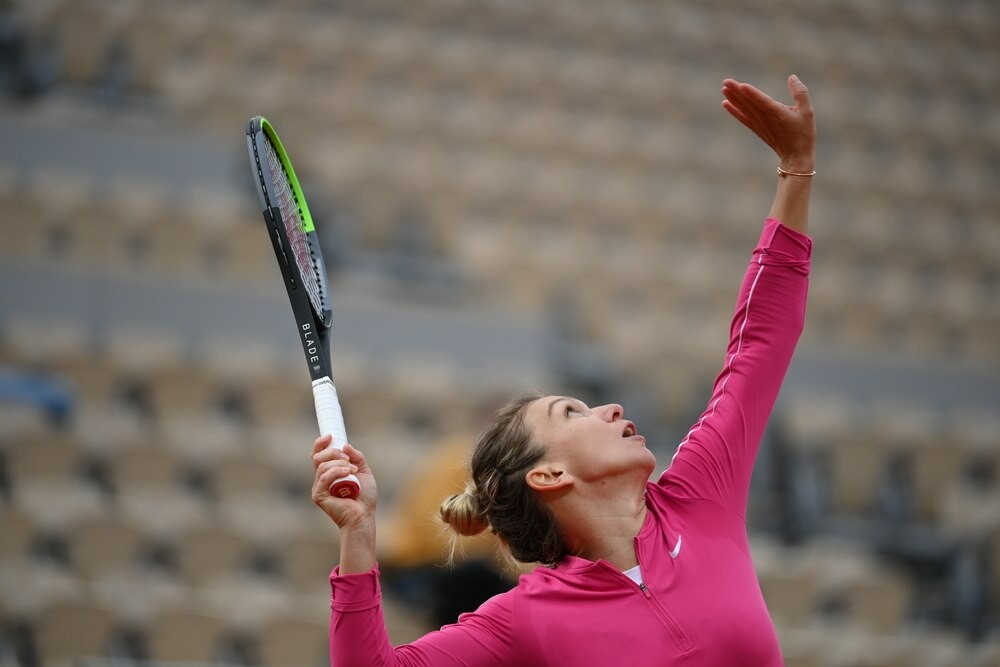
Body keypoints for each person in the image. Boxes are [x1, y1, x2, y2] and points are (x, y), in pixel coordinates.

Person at [310, 75, 816, 666]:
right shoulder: (525, 618)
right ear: (548, 476)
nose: (612, 408)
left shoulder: (700, 496)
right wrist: (359, 535)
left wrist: (796, 168)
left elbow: (758, 344)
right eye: (572, 411)